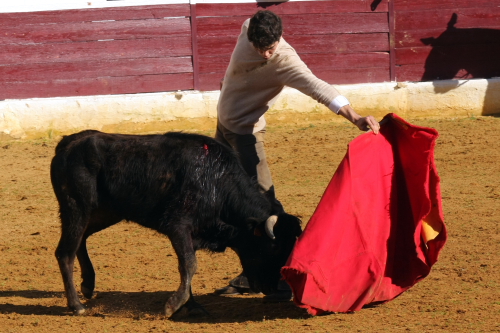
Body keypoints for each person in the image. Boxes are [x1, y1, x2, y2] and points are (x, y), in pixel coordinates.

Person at [214, 10, 380, 301]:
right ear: (249, 36)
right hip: (223, 126)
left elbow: (318, 87)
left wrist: (354, 117)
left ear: (278, 39)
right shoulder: (247, 27)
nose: (266, 55)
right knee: (227, 204)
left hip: (246, 133)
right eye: (260, 48)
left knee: (264, 204)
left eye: (271, 48)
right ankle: (252, 273)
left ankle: (288, 270)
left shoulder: (285, 60)